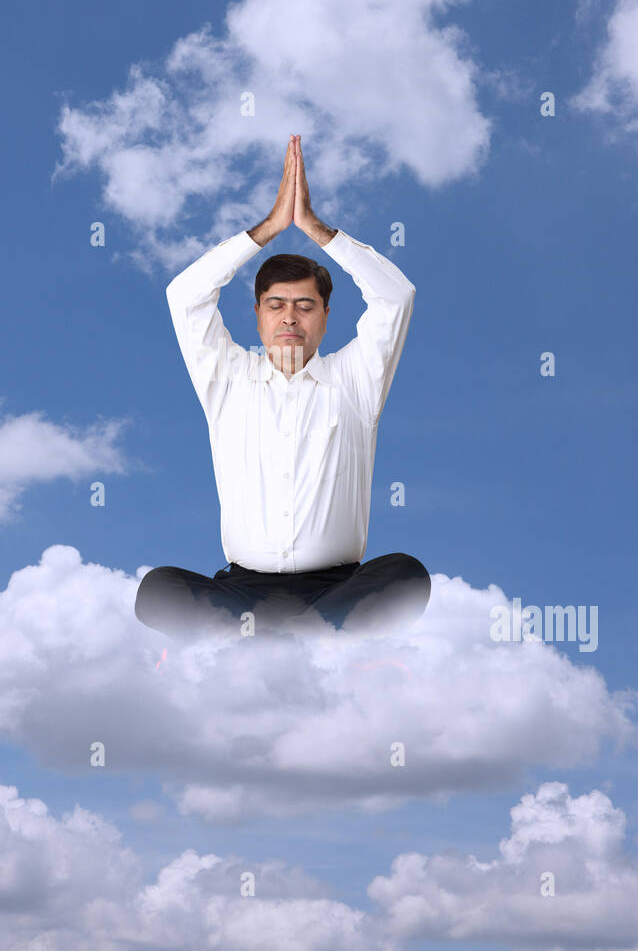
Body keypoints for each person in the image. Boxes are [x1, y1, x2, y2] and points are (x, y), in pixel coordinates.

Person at [134, 135, 431, 638]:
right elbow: (185, 295)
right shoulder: (228, 379)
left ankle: (278, 639)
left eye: (305, 305)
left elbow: (395, 296)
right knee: (158, 588)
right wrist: (268, 229)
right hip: (241, 592)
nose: (290, 317)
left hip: (337, 590)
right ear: (257, 315)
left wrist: (316, 230)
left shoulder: (356, 378)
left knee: (407, 574)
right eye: (276, 304)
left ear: (325, 316)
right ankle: (298, 637)